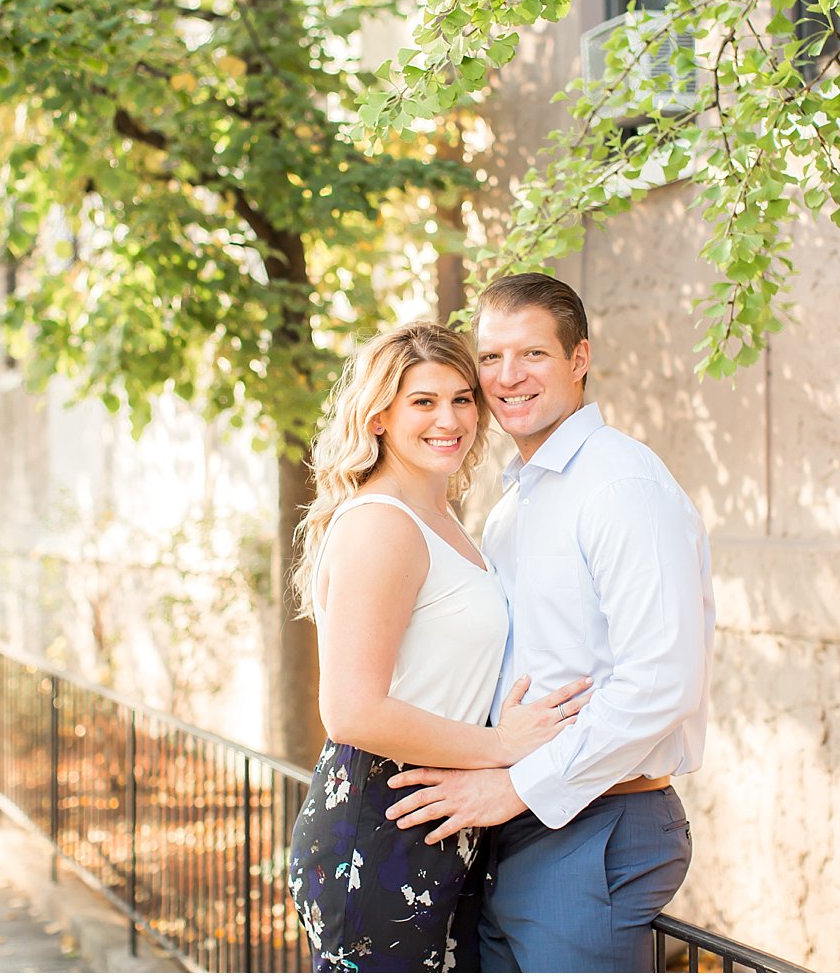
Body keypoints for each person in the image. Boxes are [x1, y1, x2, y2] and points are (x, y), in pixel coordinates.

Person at [385, 274, 716, 973]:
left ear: (579, 359)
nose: (507, 377)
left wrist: (512, 787)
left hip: (595, 822)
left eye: (532, 354)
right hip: (516, 821)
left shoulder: (621, 487)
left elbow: (662, 682)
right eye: (492, 357)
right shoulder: (512, 507)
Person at [285, 320, 593, 973]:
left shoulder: (442, 516)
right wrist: (502, 749)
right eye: (422, 402)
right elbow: (352, 712)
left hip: (438, 818)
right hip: (380, 819)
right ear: (378, 417)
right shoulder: (380, 526)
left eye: (461, 399)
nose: (448, 418)